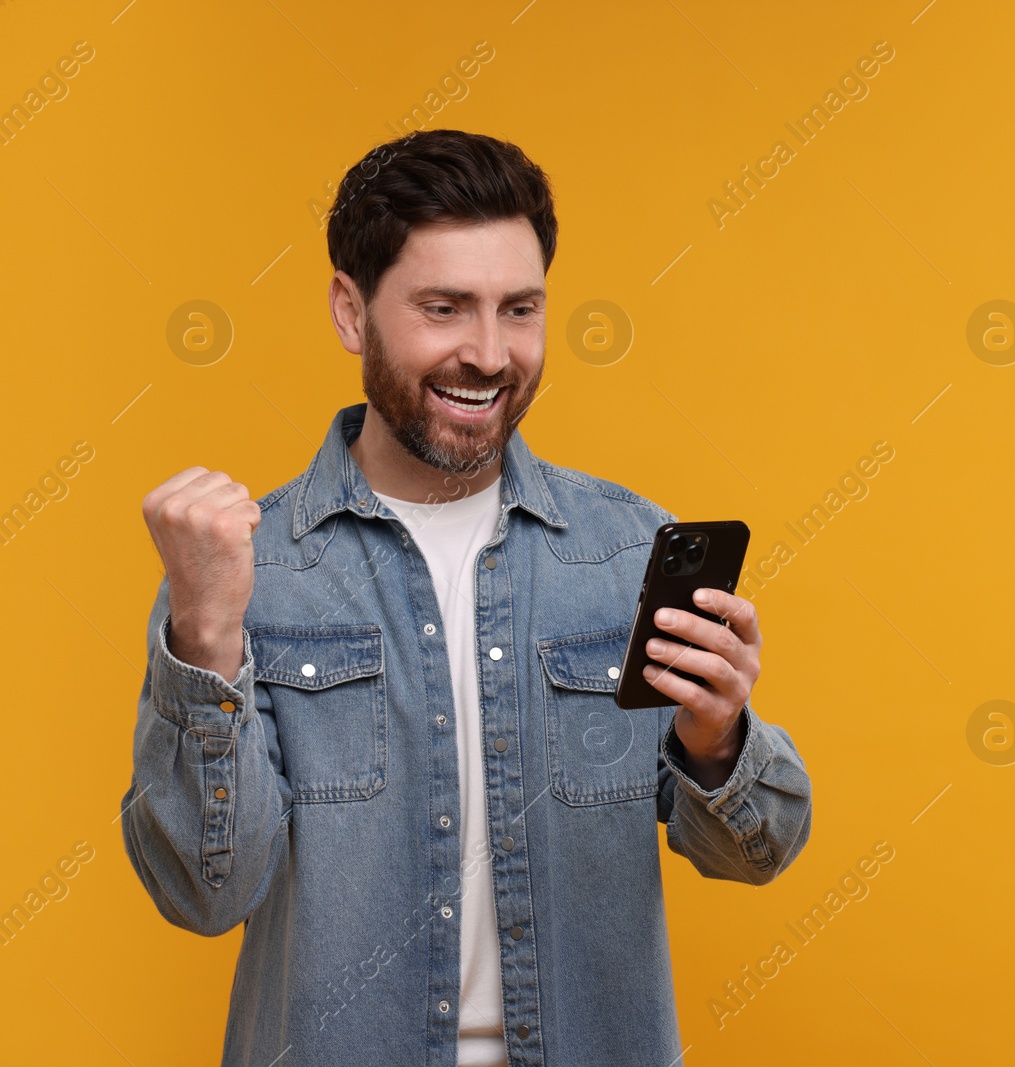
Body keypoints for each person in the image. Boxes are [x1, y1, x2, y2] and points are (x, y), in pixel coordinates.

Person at [120, 128, 812, 1066]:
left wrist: (716, 736)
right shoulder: (253, 570)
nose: (489, 354)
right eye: (444, 308)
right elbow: (203, 892)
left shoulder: (622, 551)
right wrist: (204, 633)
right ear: (351, 312)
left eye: (518, 309)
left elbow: (761, 849)